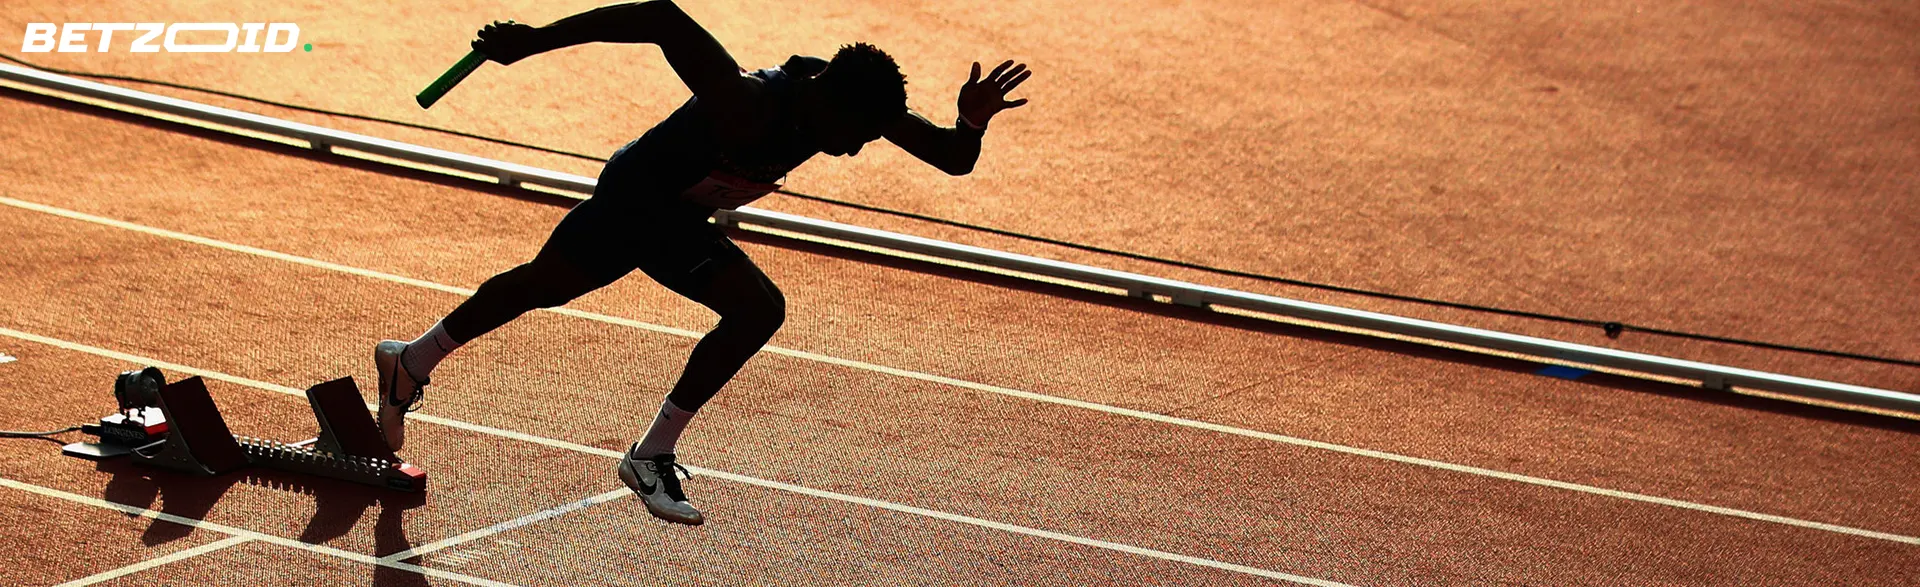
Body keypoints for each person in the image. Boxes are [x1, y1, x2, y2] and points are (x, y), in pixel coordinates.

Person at [374, 1, 1031, 525]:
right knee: (732, 306)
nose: (858, 149)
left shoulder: (854, 103)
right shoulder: (747, 101)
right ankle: (645, 452)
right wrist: (532, 41)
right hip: (639, 197)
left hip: (679, 215)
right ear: (829, 104)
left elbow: (951, 158)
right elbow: (660, 16)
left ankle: (413, 360)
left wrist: (970, 122)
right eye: (857, 136)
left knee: (552, 286)